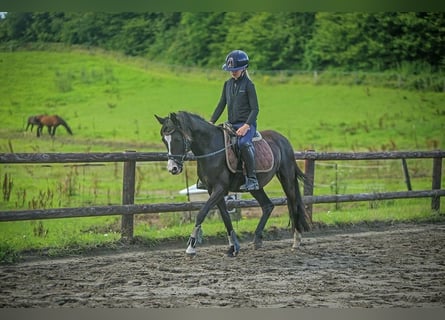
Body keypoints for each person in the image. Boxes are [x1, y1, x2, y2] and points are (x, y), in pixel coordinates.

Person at [209, 49, 260, 191]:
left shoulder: (249, 85)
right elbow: (221, 104)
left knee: (243, 144)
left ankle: (252, 179)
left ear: (243, 68)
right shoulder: (227, 84)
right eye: (231, 69)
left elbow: (255, 109)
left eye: (235, 69)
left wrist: (246, 126)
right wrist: (211, 122)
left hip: (246, 125)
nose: (233, 72)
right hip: (231, 124)